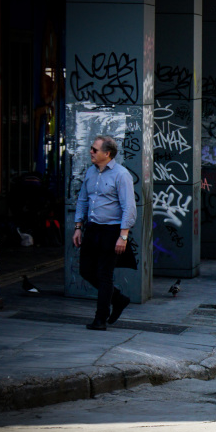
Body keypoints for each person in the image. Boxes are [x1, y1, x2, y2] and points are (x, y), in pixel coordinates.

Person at [72, 135, 136, 330]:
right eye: (91, 148)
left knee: (104, 275)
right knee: (86, 270)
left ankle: (100, 319)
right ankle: (118, 299)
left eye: (94, 149)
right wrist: (78, 227)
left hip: (112, 231)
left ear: (107, 154)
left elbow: (129, 207)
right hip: (92, 229)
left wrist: (123, 236)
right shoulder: (91, 172)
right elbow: (83, 199)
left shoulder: (121, 174)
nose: (90, 152)